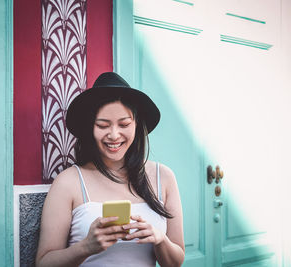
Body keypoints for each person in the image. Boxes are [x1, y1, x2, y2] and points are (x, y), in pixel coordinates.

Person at [35, 72, 185, 267]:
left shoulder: (163, 177)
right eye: (103, 125)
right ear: (90, 128)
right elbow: (43, 262)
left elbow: (175, 262)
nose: (114, 135)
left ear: (137, 125)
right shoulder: (68, 182)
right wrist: (86, 247)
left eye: (124, 124)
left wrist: (160, 239)